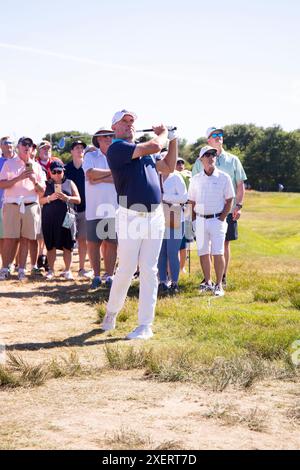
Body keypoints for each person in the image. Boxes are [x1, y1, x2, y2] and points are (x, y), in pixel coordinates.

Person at [101, 109, 178, 340]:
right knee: (125, 269)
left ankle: (145, 325)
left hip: (155, 215)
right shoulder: (117, 148)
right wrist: (163, 134)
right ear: (114, 127)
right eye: (124, 122)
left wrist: (173, 139)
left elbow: (169, 166)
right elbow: (154, 146)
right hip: (130, 216)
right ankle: (111, 313)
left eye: (131, 122)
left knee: (149, 270)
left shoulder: (144, 151)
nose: (129, 125)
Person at [192, 127, 247, 287]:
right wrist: (196, 217)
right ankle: (207, 278)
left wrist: (239, 205)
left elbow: (239, 184)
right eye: (214, 135)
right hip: (205, 212)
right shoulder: (198, 162)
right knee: (206, 246)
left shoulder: (233, 159)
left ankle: (221, 277)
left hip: (227, 209)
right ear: (208, 140)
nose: (218, 137)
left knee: (224, 243)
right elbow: (196, 185)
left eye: (220, 135)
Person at [188, 146, 235, 297]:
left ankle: (219, 284)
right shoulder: (195, 179)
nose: (211, 157)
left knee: (218, 252)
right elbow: (191, 202)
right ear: (201, 159)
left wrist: (221, 218)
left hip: (217, 220)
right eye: (207, 155)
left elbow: (229, 200)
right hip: (200, 220)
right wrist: (194, 220)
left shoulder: (224, 177)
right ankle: (208, 282)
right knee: (203, 252)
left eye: (213, 154)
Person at [0, 137, 46, 280]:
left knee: (25, 239)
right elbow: (2, 184)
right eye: (24, 144)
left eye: (30, 145)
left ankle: (21, 269)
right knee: (9, 239)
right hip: (12, 205)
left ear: (32, 149)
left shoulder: (37, 166)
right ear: (18, 147)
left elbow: (42, 191)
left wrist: (33, 180)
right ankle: (5, 268)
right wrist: (19, 178)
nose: (27, 147)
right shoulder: (9, 164)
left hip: (30, 205)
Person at [82, 127, 118, 289]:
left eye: (111, 136)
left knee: (111, 243)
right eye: (105, 137)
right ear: (98, 140)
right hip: (94, 208)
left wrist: (100, 177)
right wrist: (111, 173)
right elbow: (90, 174)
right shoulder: (90, 155)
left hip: (112, 208)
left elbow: (119, 179)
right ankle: (96, 276)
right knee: (93, 243)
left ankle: (109, 276)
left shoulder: (117, 156)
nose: (109, 139)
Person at [39, 161, 81, 280]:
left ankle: (67, 270)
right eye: (54, 172)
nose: (57, 174)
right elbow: (39, 200)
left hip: (67, 218)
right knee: (50, 245)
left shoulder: (69, 183)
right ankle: (51, 270)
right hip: (50, 219)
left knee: (68, 245)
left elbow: (78, 199)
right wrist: (49, 198)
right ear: (50, 173)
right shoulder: (45, 184)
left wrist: (68, 198)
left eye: (59, 171)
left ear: (63, 171)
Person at [64, 140, 93, 279]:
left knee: (83, 239)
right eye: (76, 148)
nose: (80, 150)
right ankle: (67, 269)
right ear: (71, 151)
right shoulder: (66, 169)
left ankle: (81, 268)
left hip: (86, 209)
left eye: (82, 148)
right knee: (69, 239)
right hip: (69, 210)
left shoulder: (88, 167)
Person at [158, 169, 187, 294]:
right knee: (161, 252)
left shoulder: (176, 177)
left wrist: (164, 197)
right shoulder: (155, 175)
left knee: (172, 252)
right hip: (158, 217)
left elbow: (184, 198)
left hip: (174, 216)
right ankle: (162, 282)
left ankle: (174, 282)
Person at [0, 137, 17, 263]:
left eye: (11, 142)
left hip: (17, 203)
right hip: (2, 204)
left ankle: (13, 263)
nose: (9, 145)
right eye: (6, 143)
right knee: (3, 237)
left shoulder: (20, 161)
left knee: (15, 237)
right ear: (1, 146)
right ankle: (5, 263)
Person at [175, 157, 192, 274]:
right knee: (174, 242)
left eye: (182, 163)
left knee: (184, 243)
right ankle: (173, 266)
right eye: (177, 163)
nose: (180, 164)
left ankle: (182, 267)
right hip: (175, 212)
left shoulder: (188, 176)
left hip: (187, 212)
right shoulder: (172, 177)